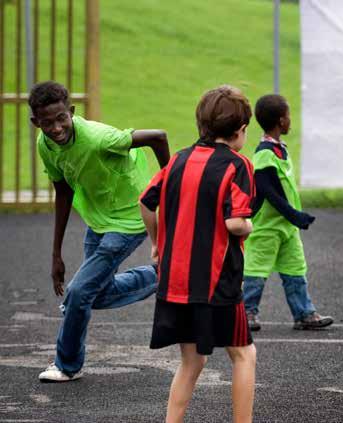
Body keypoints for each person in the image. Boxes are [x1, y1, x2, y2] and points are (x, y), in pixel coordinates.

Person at [31, 81, 169, 383]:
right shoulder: (46, 144)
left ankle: (67, 364)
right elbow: (63, 191)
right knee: (94, 293)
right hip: (99, 219)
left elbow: (159, 137)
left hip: (131, 217)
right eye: (46, 123)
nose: (55, 128)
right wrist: (56, 254)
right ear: (35, 123)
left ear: (71, 112)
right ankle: (165, 275)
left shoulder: (97, 138)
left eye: (61, 118)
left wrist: (171, 187)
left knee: (78, 292)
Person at [140, 86, 257, 422]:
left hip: (175, 282)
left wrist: (156, 243)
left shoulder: (178, 158)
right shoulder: (238, 165)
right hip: (217, 282)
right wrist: (247, 227)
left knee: (192, 361)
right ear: (240, 131)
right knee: (243, 355)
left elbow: (146, 202)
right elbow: (236, 223)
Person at [242, 94, 333, 331]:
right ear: (281, 120)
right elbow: (267, 191)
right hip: (267, 227)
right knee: (256, 270)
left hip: (286, 227)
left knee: (295, 269)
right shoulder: (264, 153)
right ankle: (246, 312)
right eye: (288, 116)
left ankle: (304, 313)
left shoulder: (279, 149)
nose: (290, 120)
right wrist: (294, 214)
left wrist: (292, 218)